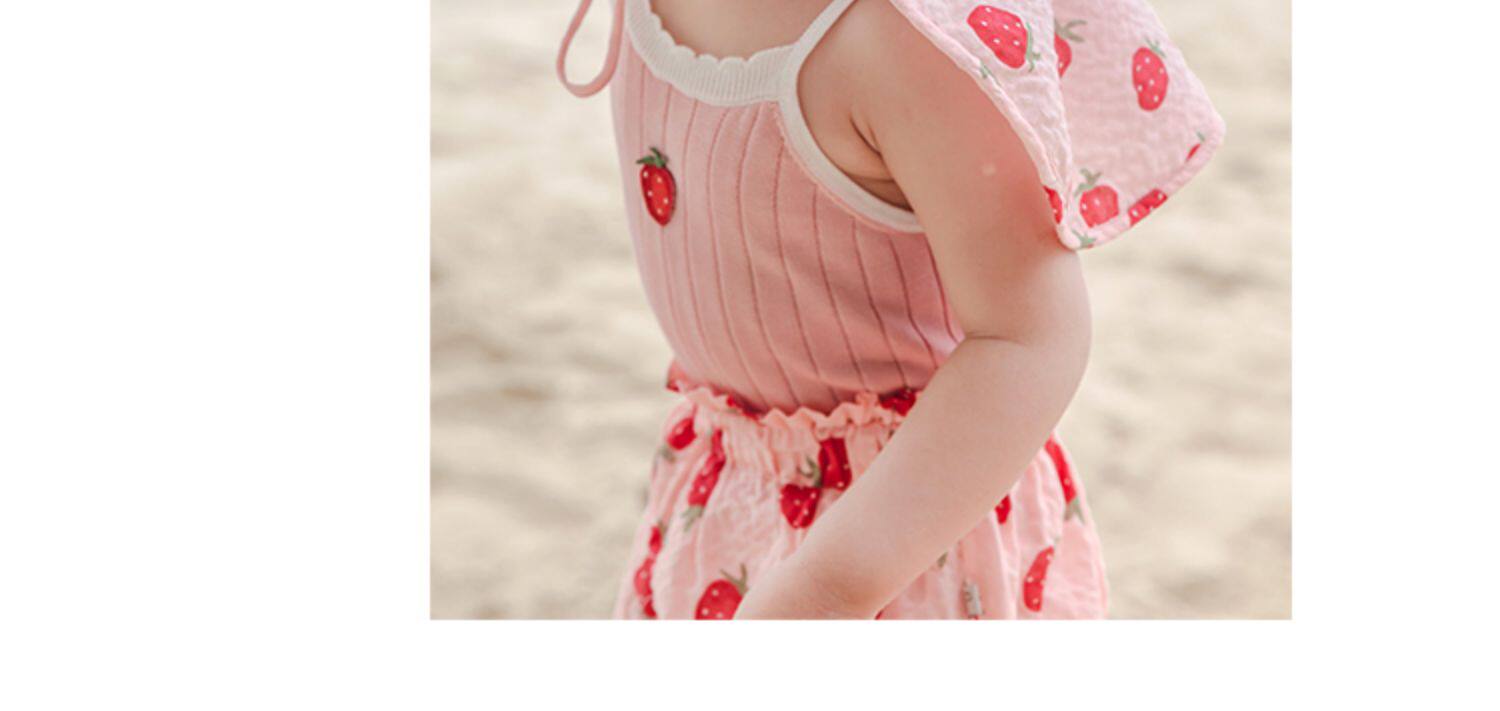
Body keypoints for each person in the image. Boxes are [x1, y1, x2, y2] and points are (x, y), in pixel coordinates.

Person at [554, 0, 1222, 619]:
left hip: (907, 533)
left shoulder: (902, 45)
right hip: (725, 481)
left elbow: (1031, 334)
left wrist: (829, 591)